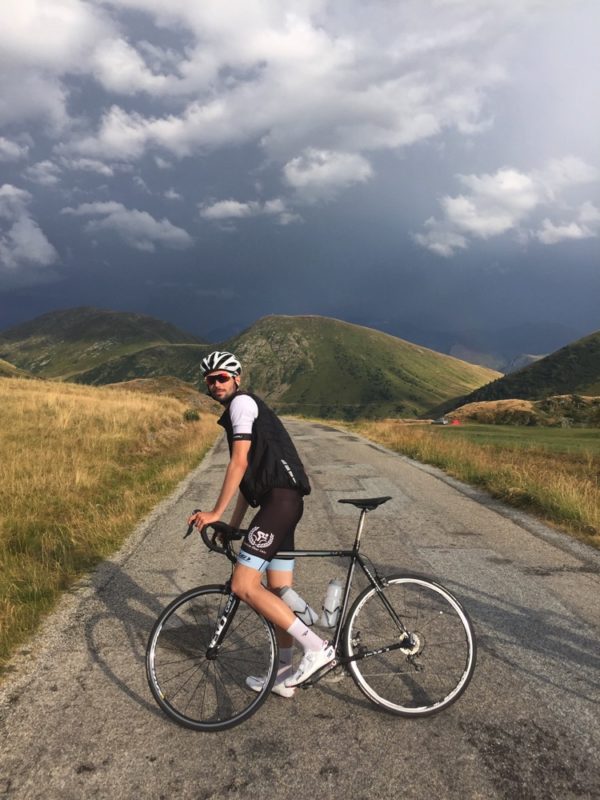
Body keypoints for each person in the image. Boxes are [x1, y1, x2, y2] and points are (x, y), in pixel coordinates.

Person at [188, 350, 334, 695]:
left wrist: (215, 513)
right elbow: (247, 481)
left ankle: (316, 648)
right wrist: (233, 525)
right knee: (276, 593)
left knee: (243, 585)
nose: (215, 384)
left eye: (222, 377)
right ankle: (283, 675)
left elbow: (238, 464)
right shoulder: (241, 409)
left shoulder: (241, 405)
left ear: (236, 379)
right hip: (281, 503)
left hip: (279, 503)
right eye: (210, 380)